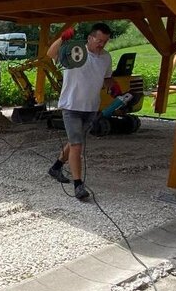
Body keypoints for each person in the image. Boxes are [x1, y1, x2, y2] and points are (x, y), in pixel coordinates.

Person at [46, 22, 120, 202]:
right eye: (99, 40)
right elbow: (50, 54)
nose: (101, 44)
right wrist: (62, 38)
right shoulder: (75, 52)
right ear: (90, 38)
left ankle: (56, 167)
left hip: (91, 108)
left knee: (74, 142)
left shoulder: (106, 58)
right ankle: (78, 185)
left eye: (105, 41)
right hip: (71, 106)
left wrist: (114, 87)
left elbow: (107, 78)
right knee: (77, 145)